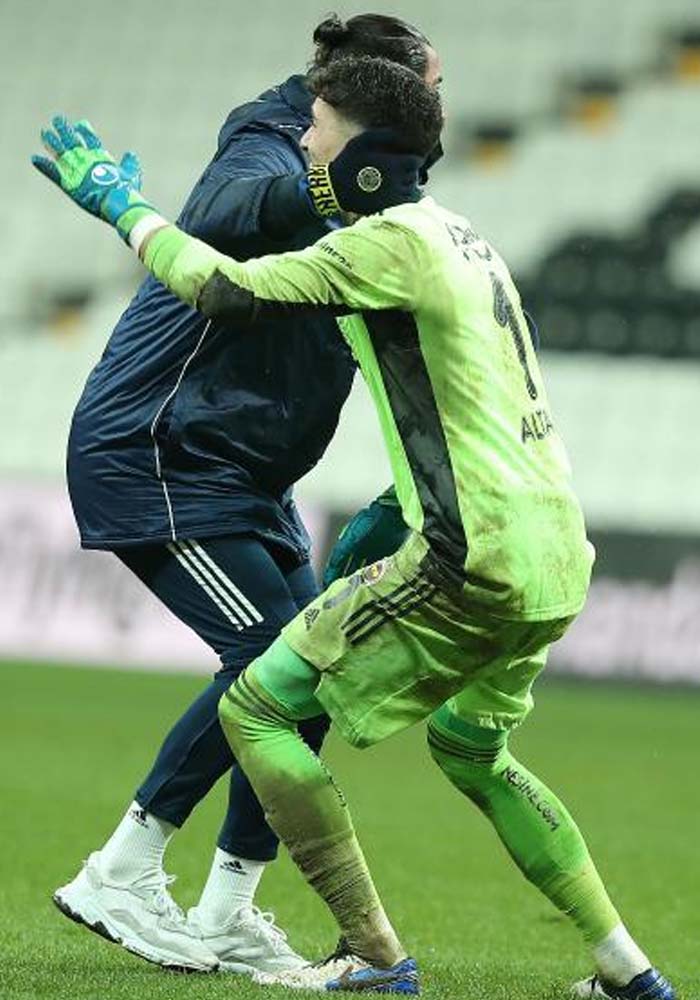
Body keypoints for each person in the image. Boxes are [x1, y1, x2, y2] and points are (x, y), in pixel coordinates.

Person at [33, 55, 675, 1000]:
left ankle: (373, 957)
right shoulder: (467, 240)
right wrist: (391, 509)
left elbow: (221, 288)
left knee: (259, 701)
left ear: (366, 159)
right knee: (473, 752)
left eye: (321, 128)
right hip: (557, 551)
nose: (304, 138)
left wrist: (122, 206)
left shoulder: (386, 246)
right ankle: (630, 974)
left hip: (472, 555)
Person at [38, 14, 440, 975]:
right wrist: (325, 183)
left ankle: (226, 908)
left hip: (246, 469)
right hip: (161, 450)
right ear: (370, 92)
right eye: (430, 88)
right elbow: (229, 214)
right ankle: (121, 871)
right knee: (267, 658)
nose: (439, 111)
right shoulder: (276, 140)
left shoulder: (383, 190)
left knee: (315, 676)